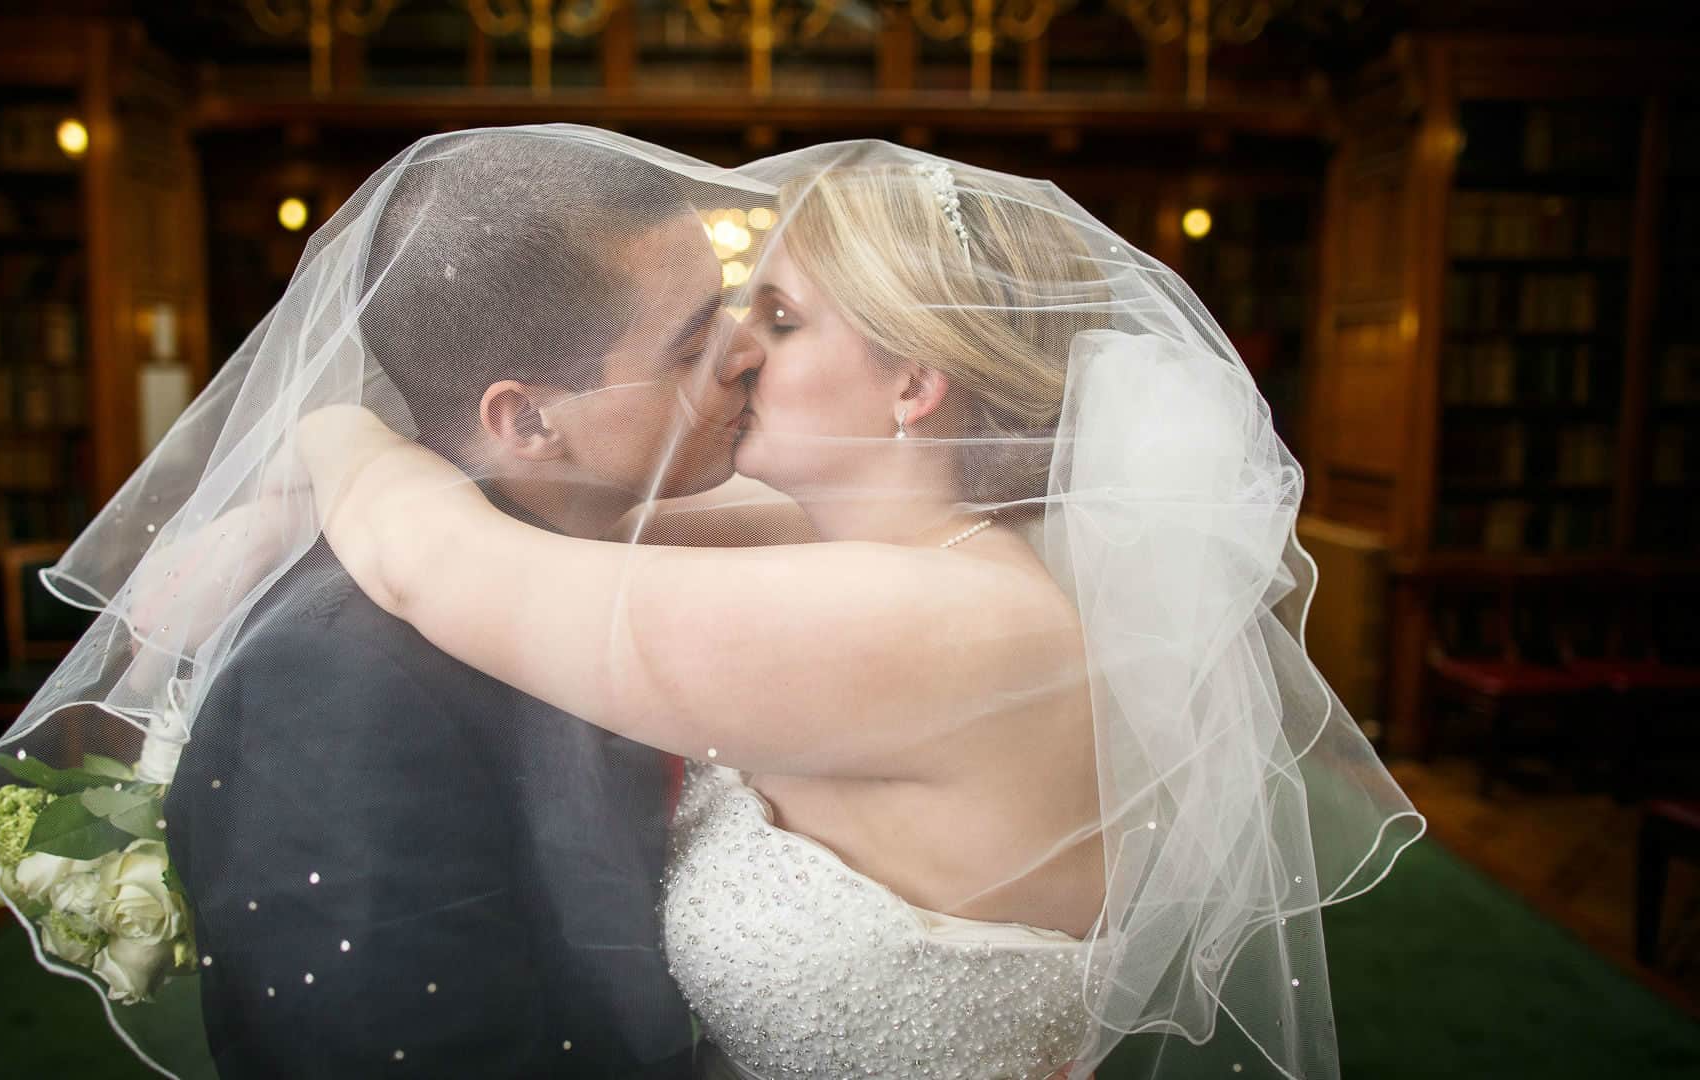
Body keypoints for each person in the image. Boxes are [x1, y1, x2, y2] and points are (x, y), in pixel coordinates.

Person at [292, 143, 1426, 1080]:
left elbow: (434, 566)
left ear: (914, 383)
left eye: (780, 316)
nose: (735, 345)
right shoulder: (924, 555)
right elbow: (588, 513)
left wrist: (326, 423)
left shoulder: (948, 628)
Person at [0, 127, 752, 1079]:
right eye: (697, 341)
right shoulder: (336, 674)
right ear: (528, 419)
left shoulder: (588, 552)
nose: (749, 354)